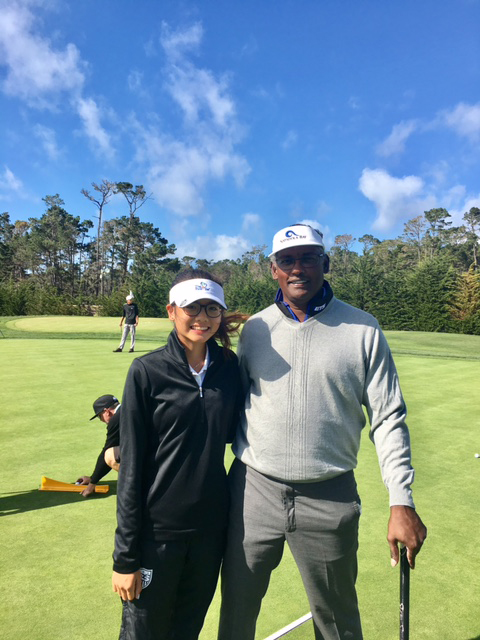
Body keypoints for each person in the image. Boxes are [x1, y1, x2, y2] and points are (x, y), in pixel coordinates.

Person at [218, 224, 427, 640]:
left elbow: (388, 419)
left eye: (309, 258)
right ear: (273, 269)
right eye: (288, 260)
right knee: (237, 611)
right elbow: (228, 407)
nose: (299, 268)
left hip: (330, 496)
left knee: (336, 621)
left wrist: (401, 500)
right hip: (252, 492)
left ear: (325, 264)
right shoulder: (255, 330)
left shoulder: (364, 329)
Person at [112, 269, 244, 640]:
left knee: (187, 630)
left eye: (212, 309)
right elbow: (132, 468)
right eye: (192, 308)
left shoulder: (229, 368)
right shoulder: (146, 371)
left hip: (209, 531)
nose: (202, 318)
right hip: (157, 534)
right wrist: (125, 557)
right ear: (172, 311)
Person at [76, 394, 121, 498]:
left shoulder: (116, 420)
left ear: (107, 411)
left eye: (100, 416)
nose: (101, 420)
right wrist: (92, 478)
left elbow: (107, 451)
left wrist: (92, 483)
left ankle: (142, 482)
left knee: (110, 455)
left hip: (153, 459)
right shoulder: (131, 409)